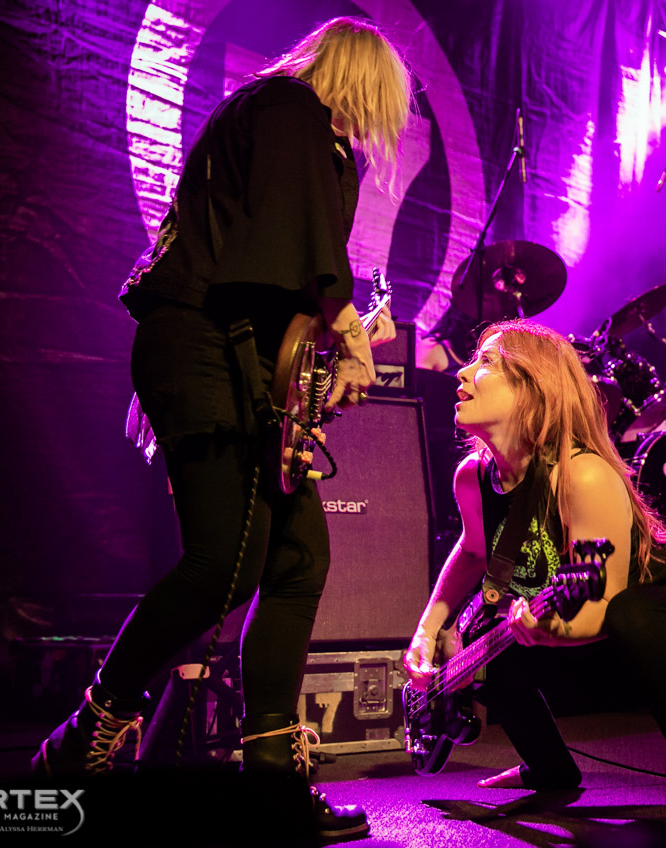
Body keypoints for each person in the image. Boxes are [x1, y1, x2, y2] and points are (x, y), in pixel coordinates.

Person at [32, 17, 412, 842]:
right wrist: (345, 325)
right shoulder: (287, 109)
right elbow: (292, 254)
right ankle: (88, 728)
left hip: (237, 362)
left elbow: (276, 275)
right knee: (224, 565)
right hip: (201, 350)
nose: (384, 121)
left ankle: (270, 777)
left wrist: (322, 360)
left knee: (297, 556)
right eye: (386, 99)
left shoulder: (301, 136)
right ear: (362, 80)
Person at [403, 320, 666, 841]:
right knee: (487, 639)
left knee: (634, 613)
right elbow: (474, 550)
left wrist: (547, 633)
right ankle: (549, 770)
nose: (463, 370)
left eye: (487, 362)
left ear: (534, 389)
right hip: (579, 634)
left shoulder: (583, 475)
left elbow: (598, 604)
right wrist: (429, 629)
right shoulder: (473, 478)